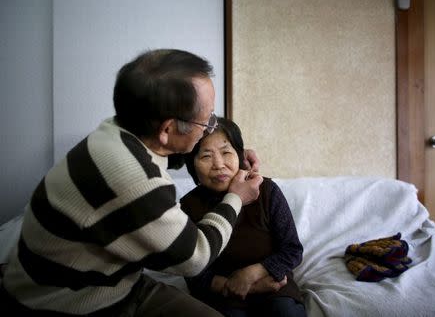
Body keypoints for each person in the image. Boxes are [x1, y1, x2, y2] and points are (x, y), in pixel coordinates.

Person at [0, 49, 263, 317]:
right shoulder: (139, 183)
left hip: (116, 280)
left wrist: (235, 153)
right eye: (206, 120)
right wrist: (236, 197)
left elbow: (164, 155)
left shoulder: (116, 130)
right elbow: (196, 256)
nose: (209, 126)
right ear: (168, 129)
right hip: (74, 302)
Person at [180, 117, 306, 317]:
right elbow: (194, 273)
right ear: (192, 165)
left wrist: (251, 274)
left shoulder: (266, 191)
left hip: (275, 285)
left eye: (226, 152)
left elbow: (292, 250)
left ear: (239, 156)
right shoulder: (188, 206)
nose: (219, 165)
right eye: (206, 156)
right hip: (221, 293)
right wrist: (239, 285)